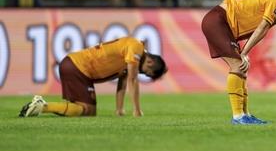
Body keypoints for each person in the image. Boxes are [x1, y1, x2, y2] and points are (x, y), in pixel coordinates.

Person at [19, 37, 167, 117]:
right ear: (150, 61)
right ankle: (42, 106)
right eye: (146, 71)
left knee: (84, 110)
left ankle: (42, 106)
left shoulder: (131, 57)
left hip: (76, 66)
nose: (142, 73)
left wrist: (119, 109)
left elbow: (122, 81)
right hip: (77, 66)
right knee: (88, 110)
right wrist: (137, 110)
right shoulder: (135, 48)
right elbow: (132, 80)